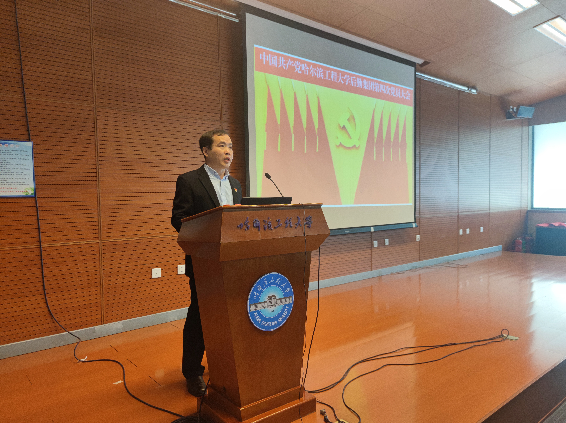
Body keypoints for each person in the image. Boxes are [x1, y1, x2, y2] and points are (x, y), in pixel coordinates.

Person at [171, 129, 242, 397]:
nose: (228, 151)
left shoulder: (235, 184)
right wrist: (207, 237)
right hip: (204, 261)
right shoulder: (190, 181)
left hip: (233, 262)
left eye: (230, 146)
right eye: (222, 145)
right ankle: (192, 372)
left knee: (230, 315)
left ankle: (222, 362)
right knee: (199, 317)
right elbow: (179, 219)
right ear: (205, 151)